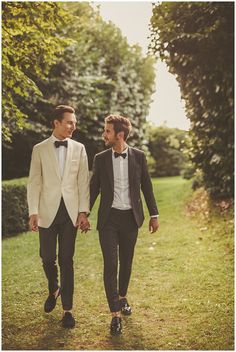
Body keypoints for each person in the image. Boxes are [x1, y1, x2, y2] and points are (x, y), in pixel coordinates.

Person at [90, 114, 159, 335]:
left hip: (131, 219)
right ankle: (115, 315)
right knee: (111, 265)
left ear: (120, 135)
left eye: (107, 131)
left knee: (126, 263)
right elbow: (94, 189)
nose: (104, 134)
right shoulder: (100, 158)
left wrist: (154, 214)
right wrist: (84, 213)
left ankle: (122, 297)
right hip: (108, 219)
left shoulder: (139, 156)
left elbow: (146, 186)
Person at [27, 105, 90, 328]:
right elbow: (34, 181)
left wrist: (83, 211)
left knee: (66, 259)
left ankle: (68, 311)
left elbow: (83, 182)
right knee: (47, 257)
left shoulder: (80, 148)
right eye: (69, 122)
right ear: (56, 123)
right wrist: (33, 211)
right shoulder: (39, 149)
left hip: (70, 213)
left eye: (74, 122)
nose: (74, 126)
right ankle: (54, 288)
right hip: (46, 211)